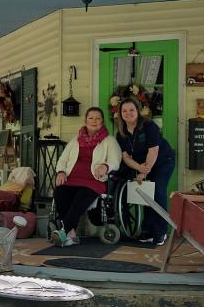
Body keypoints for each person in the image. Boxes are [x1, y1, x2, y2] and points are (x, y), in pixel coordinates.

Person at [52, 107, 122, 247]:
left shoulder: (109, 140)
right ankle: (71, 234)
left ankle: (64, 231)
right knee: (59, 192)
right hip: (71, 179)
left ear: (102, 121)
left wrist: (106, 166)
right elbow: (62, 159)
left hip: (94, 181)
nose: (94, 121)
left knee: (81, 197)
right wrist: (61, 171)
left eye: (98, 118)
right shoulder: (75, 140)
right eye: (91, 118)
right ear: (85, 121)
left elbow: (116, 160)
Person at [116, 97, 175, 246]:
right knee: (147, 194)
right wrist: (138, 168)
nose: (128, 113)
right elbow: (125, 157)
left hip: (162, 161)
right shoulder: (121, 133)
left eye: (131, 110)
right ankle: (148, 231)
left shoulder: (149, 126)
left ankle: (161, 232)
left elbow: (153, 151)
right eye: (124, 110)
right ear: (120, 114)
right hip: (142, 165)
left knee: (158, 192)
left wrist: (144, 172)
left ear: (137, 111)